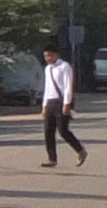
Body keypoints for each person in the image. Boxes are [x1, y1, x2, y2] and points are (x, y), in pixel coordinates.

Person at [37, 40, 87, 168]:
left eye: (50, 55)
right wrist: (44, 105)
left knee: (63, 130)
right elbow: (47, 88)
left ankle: (80, 150)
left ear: (56, 54)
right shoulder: (47, 69)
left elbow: (68, 86)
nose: (48, 58)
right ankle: (51, 158)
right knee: (48, 131)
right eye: (45, 56)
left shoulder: (65, 67)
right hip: (50, 102)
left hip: (61, 102)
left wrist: (67, 103)